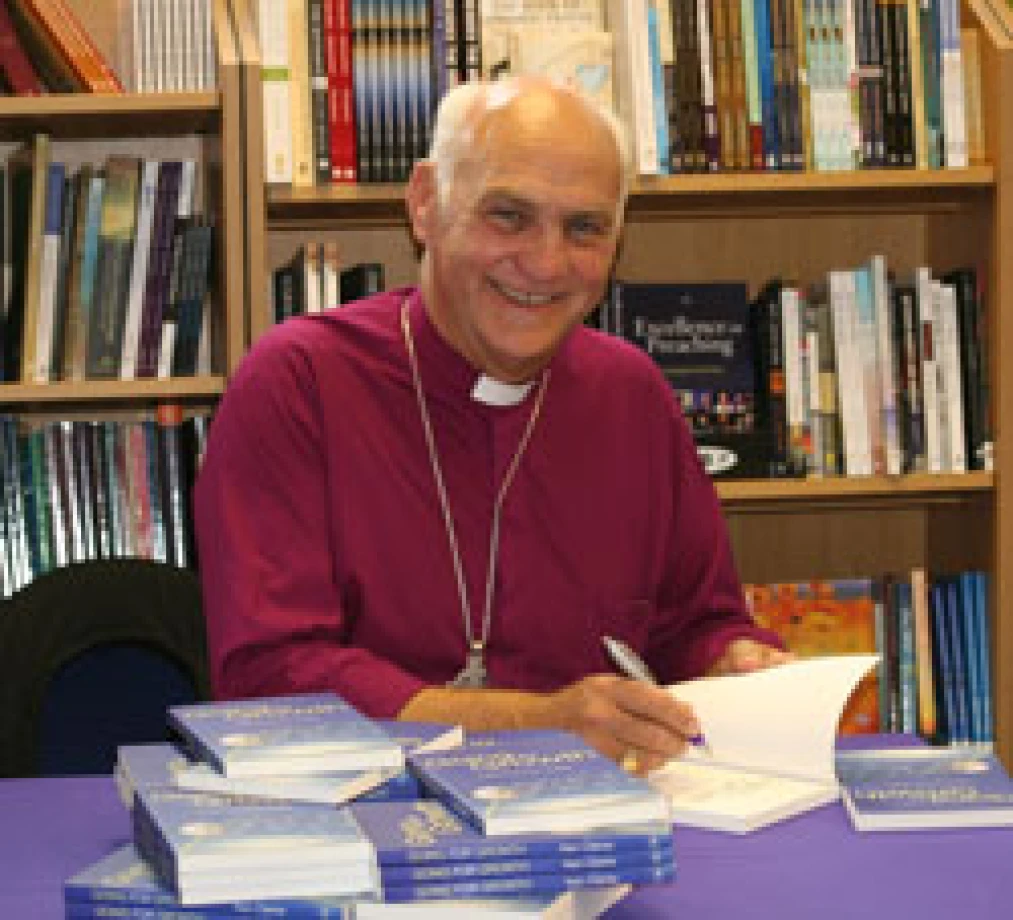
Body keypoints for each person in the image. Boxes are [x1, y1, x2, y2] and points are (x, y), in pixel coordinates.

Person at [194, 77, 788, 776]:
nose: (543, 263)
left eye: (584, 228)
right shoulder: (298, 382)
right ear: (425, 204)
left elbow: (693, 625)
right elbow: (270, 676)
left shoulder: (631, 394)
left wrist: (733, 663)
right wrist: (539, 725)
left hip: (603, 823)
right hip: (363, 825)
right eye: (507, 216)